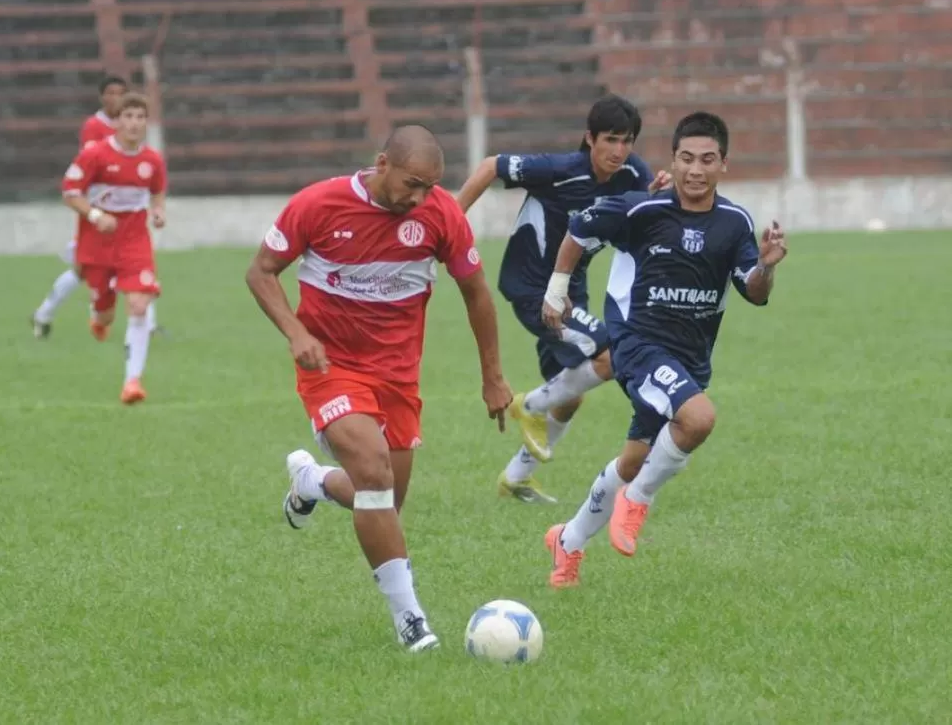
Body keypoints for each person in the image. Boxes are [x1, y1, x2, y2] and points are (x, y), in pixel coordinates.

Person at [245, 125, 514, 652]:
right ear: (382, 163)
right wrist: (297, 333)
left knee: (381, 498)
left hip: (397, 377)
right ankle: (411, 618)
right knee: (372, 473)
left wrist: (493, 377)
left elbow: (477, 294)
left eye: (430, 187)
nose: (419, 198)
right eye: (412, 184)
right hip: (330, 366)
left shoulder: (440, 215)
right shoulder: (318, 204)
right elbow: (261, 272)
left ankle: (314, 482)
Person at [540, 111, 788, 588]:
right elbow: (579, 229)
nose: (696, 170)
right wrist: (556, 291)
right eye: (686, 159)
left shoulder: (735, 223)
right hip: (638, 344)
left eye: (707, 160)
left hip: (690, 358)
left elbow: (753, 292)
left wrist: (769, 266)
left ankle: (567, 543)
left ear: (724, 164)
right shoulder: (642, 209)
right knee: (697, 419)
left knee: (633, 461)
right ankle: (639, 500)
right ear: (672, 161)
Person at [457, 94, 670, 503]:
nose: (619, 150)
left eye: (627, 141)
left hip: (572, 289)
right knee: (609, 356)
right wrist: (449, 219)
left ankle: (516, 477)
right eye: (610, 139)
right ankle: (530, 406)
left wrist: (656, 197)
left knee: (570, 395)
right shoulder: (559, 170)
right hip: (532, 287)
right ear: (590, 138)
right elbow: (490, 166)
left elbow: (645, 219)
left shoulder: (633, 174)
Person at [32, 75, 160, 339]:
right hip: (94, 214)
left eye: (120, 93)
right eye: (110, 93)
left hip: (123, 219)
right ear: (103, 97)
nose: (115, 98)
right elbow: (88, 172)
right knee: (82, 270)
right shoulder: (95, 127)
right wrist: (94, 211)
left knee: (137, 269)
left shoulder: (133, 128)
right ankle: (45, 313)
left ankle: (144, 325)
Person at [60, 93, 167, 404]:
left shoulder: (152, 161)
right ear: (117, 121)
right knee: (106, 316)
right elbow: (70, 191)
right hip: (97, 243)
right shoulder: (96, 155)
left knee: (138, 305)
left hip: (134, 241)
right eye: (128, 117)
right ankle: (97, 314)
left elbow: (157, 192)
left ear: (146, 122)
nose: (134, 123)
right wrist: (95, 214)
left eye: (140, 117)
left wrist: (159, 211)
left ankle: (132, 381)